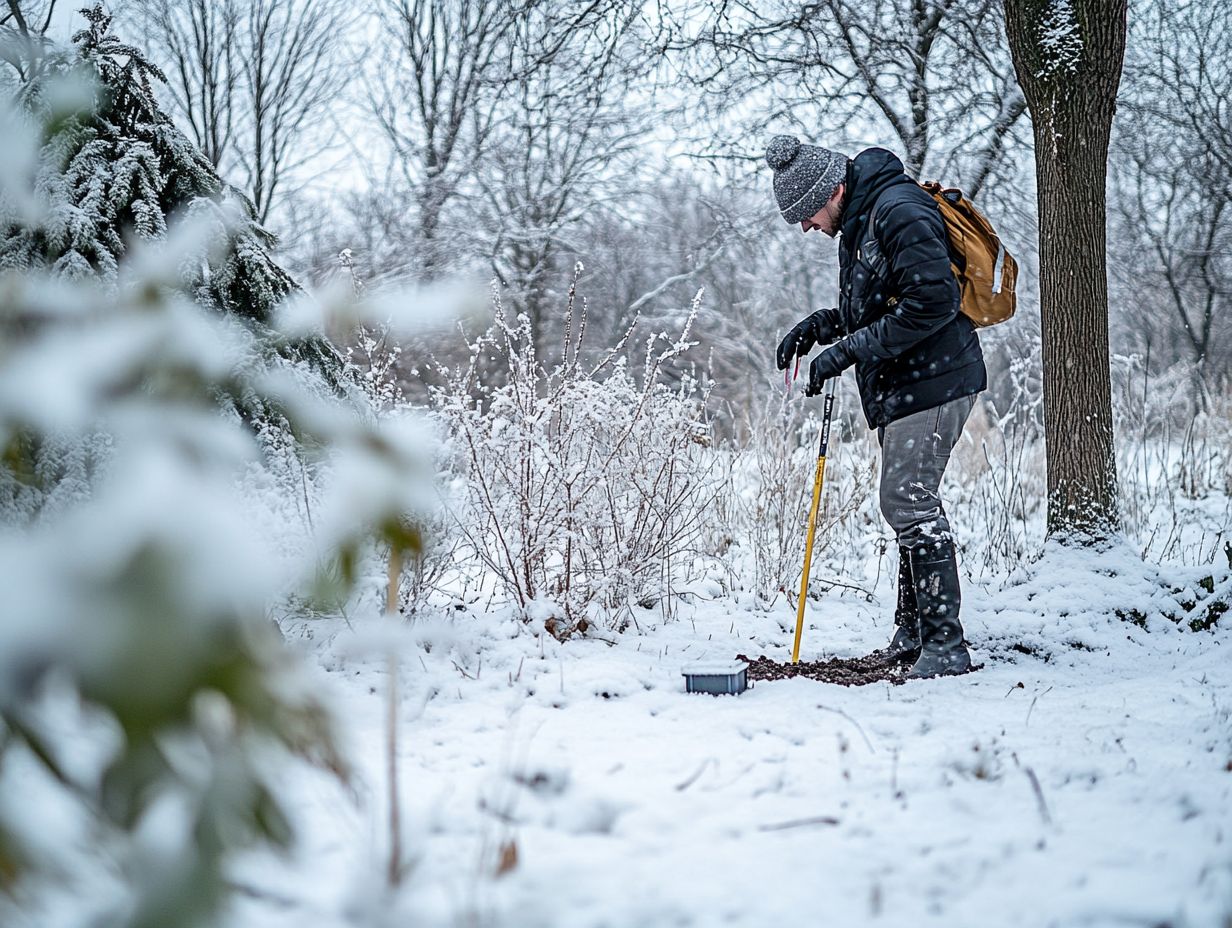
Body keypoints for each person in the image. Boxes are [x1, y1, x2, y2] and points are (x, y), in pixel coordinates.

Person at [766, 135, 986, 679]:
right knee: (905, 504)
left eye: (807, 214)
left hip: (935, 379)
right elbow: (874, 307)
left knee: (907, 501)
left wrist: (846, 351)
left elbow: (933, 302)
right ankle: (912, 635)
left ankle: (944, 645)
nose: (806, 227)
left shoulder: (899, 210)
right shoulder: (861, 221)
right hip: (904, 383)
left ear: (833, 190)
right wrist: (823, 327)